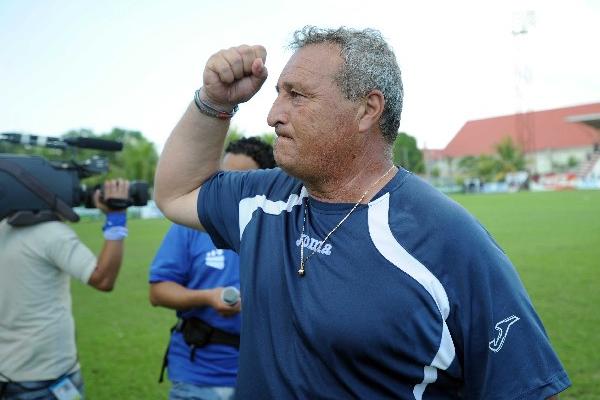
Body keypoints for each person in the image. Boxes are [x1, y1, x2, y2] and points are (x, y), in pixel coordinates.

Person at [154, 26, 571, 399]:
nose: (272, 114)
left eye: (296, 95)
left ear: (367, 110)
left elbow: (526, 388)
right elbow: (176, 193)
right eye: (278, 93)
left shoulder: (449, 240)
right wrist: (214, 102)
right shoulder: (263, 198)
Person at [149, 137, 275, 400]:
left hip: (260, 379)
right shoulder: (190, 225)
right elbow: (158, 292)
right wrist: (207, 297)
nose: (226, 186)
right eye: (222, 175)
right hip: (197, 375)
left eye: (238, 179)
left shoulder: (278, 231)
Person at [0, 179, 131, 399]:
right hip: (49, 375)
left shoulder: (3, 229)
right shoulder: (52, 233)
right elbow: (104, 279)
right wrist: (116, 218)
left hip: (6, 372)